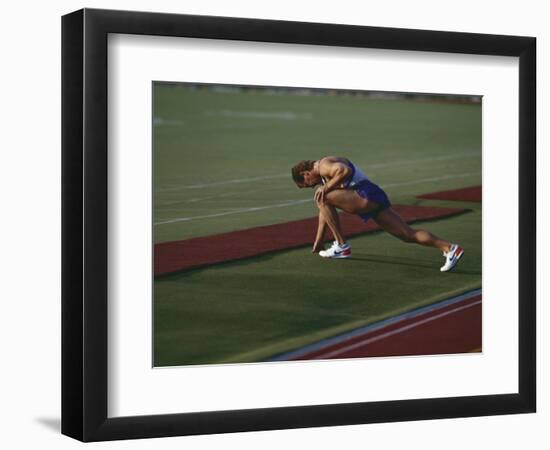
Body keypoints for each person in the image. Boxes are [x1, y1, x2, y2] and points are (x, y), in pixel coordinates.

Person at [291, 157, 464, 272]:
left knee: (322, 196)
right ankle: (450, 248)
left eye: (308, 184)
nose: (312, 186)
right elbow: (324, 212)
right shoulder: (323, 178)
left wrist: (326, 187)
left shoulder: (323, 166)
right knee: (407, 234)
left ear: (305, 173)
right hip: (374, 197)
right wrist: (319, 240)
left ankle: (342, 247)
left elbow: (344, 171)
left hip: (366, 194)